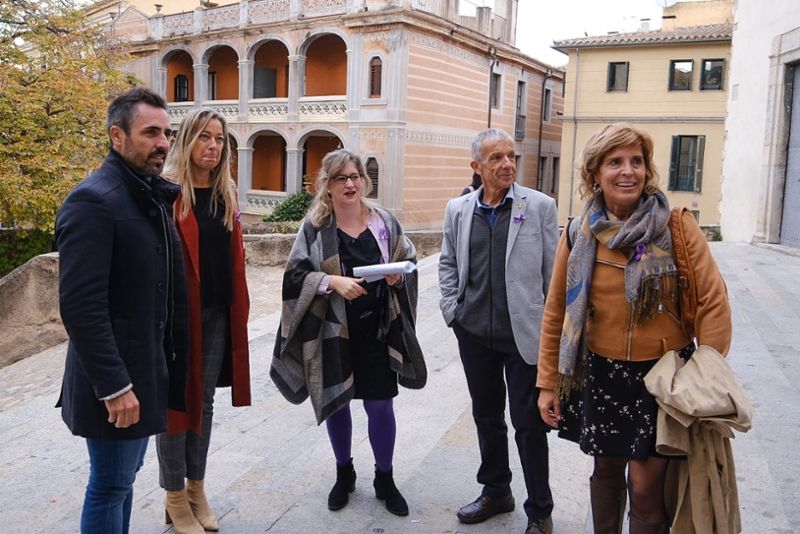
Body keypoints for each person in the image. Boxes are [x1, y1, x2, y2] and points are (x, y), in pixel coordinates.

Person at [536, 123, 731, 534]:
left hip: (662, 380)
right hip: (601, 374)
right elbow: (556, 310)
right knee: (606, 472)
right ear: (595, 173)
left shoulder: (676, 227)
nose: (628, 171)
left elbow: (713, 302)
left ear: (647, 169)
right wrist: (548, 382)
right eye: (615, 162)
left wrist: (707, 376)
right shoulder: (579, 232)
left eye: (637, 161)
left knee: (645, 487)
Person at [55, 87, 189, 534]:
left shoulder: (145, 194)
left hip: (143, 370)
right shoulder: (94, 200)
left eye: (167, 133)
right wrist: (114, 386)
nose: (163, 143)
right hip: (116, 382)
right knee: (110, 485)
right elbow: (81, 305)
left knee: (124, 481)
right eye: (151, 132)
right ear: (118, 136)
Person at [271, 149, 426, 517]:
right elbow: (294, 277)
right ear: (328, 185)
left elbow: (408, 258)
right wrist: (331, 281)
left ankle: (385, 478)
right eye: (340, 178)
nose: (350, 184)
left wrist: (398, 276)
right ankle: (345, 473)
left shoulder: (383, 222)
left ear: (363, 180)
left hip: (377, 329)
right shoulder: (314, 228)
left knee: (380, 405)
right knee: (337, 403)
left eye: (355, 176)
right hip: (333, 331)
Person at [438, 128, 558, 534]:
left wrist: (551, 333)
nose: (507, 164)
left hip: (524, 335)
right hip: (474, 333)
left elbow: (553, 276)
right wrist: (453, 312)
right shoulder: (458, 209)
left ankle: (539, 510)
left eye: (511, 156)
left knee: (529, 424)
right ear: (477, 166)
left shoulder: (539, 206)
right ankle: (496, 491)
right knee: (487, 416)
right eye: (496, 158)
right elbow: (448, 262)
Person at [155, 108, 251, 534]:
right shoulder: (168, 194)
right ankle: (174, 495)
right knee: (177, 402)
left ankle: (196, 488)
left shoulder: (225, 194)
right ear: (187, 140)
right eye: (204, 137)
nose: (213, 146)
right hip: (177, 317)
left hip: (217, 312)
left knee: (205, 401)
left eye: (219, 138)